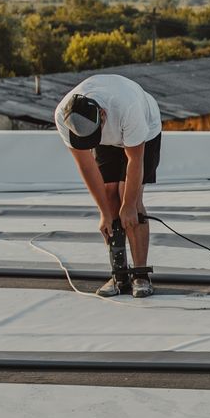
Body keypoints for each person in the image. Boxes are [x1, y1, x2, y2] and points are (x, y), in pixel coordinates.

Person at [55, 74, 163, 298]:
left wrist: (130, 206)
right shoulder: (63, 116)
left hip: (143, 132)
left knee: (127, 197)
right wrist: (104, 213)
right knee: (109, 195)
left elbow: (135, 161)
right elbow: (86, 166)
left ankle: (140, 275)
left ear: (102, 115)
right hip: (106, 137)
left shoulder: (127, 107)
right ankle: (119, 274)